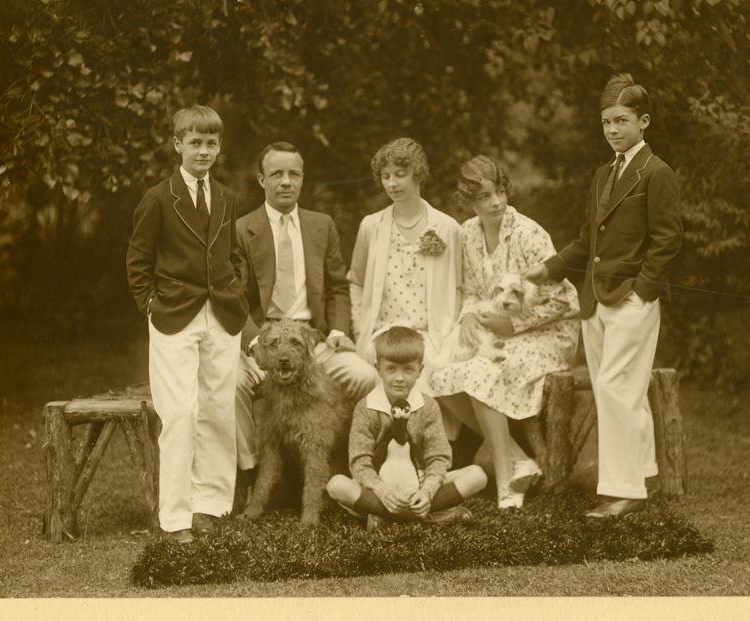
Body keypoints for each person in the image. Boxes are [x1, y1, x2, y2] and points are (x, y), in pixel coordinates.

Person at [527, 73, 683, 519]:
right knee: (615, 388)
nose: (612, 130)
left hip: (631, 299)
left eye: (621, 121)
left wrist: (642, 292)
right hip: (595, 301)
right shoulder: (602, 175)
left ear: (643, 121)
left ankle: (625, 491)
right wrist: (549, 268)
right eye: (606, 122)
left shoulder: (657, 173)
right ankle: (644, 472)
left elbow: (668, 240)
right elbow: (586, 241)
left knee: (617, 387)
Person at [126, 106, 248, 544]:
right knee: (179, 413)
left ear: (219, 146)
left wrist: (235, 290)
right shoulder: (159, 198)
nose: (203, 151)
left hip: (222, 315)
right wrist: (150, 305)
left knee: (217, 410)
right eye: (195, 142)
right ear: (177, 145)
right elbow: (138, 260)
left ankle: (210, 506)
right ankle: (176, 516)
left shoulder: (227, 196)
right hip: (174, 315)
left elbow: (232, 253)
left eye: (211, 143)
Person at [430, 156, 581, 510]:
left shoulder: (529, 233)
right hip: (494, 329)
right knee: (435, 375)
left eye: (499, 192)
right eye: (484, 197)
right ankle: (518, 460)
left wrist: (513, 325)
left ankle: (505, 484)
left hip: (548, 335)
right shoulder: (467, 233)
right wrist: (469, 315)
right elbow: (471, 290)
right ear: (469, 200)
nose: (496, 202)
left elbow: (565, 301)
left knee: (480, 372)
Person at [233, 142, 378, 505]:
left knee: (366, 378)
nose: (286, 182)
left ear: (302, 179)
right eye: (277, 174)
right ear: (261, 179)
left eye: (293, 174)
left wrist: (339, 331)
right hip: (263, 340)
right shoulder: (242, 229)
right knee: (233, 385)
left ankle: (356, 467)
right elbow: (233, 297)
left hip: (313, 340)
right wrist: (254, 342)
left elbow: (338, 286)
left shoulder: (320, 225)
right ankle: (253, 474)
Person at [326, 326, 487, 530]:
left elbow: (438, 456)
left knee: (477, 475)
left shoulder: (428, 406)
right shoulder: (365, 408)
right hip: (379, 487)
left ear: (420, 370)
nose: (399, 378)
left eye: (408, 369)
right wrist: (382, 490)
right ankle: (433, 514)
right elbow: (360, 462)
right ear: (378, 368)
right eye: (391, 369)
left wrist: (427, 491)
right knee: (337, 485)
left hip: (420, 484)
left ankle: (385, 516)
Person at [347, 137, 462, 385]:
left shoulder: (447, 227)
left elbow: (459, 288)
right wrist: (360, 329)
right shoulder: (371, 226)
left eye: (400, 174)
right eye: (386, 176)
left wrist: (449, 335)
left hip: (431, 336)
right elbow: (356, 282)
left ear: (417, 174)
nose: (392, 183)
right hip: (381, 335)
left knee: (425, 366)